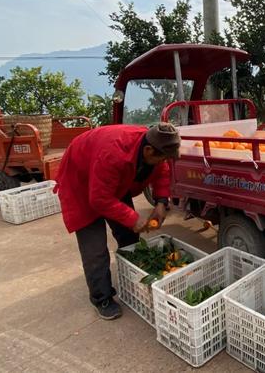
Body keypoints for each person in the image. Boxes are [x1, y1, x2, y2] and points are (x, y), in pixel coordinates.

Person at [54, 122, 181, 320]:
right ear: (148, 151)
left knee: (129, 234)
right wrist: (132, 217)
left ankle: (131, 276)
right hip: (80, 181)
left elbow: (162, 171)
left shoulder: (154, 145)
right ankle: (101, 297)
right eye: (161, 158)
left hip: (112, 180)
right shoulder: (114, 154)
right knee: (95, 250)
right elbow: (99, 199)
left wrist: (161, 202)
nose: (163, 162)